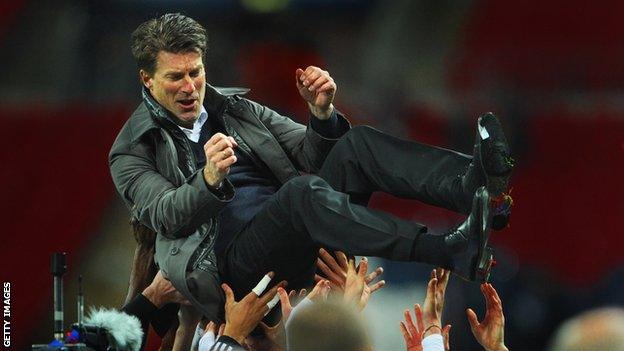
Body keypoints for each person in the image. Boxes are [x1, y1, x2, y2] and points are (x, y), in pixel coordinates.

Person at [109, 13, 514, 324]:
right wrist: (208, 179)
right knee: (298, 195)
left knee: (354, 143)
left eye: (196, 72)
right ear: (147, 79)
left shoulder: (236, 108)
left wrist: (321, 116)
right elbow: (165, 215)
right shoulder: (132, 151)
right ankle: (447, 250)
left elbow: (310, 156)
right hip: (236, 273)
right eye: (175, 77)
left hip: (300, 232)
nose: (190, 87)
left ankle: (473, 186)